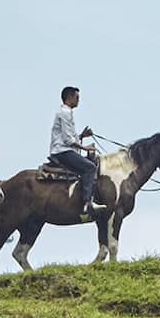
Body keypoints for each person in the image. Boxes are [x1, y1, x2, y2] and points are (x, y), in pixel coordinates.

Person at [49, 85, 100, 219]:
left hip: (64, 149)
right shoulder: (64, 113)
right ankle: (86, 203)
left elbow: (69, 136)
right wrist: (85, 148)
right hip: (62, 151)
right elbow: (67, 140)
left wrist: (82, 136)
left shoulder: (66, 112)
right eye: (77, 97)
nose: (78, 100)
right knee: (90, 168)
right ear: (69, 97)